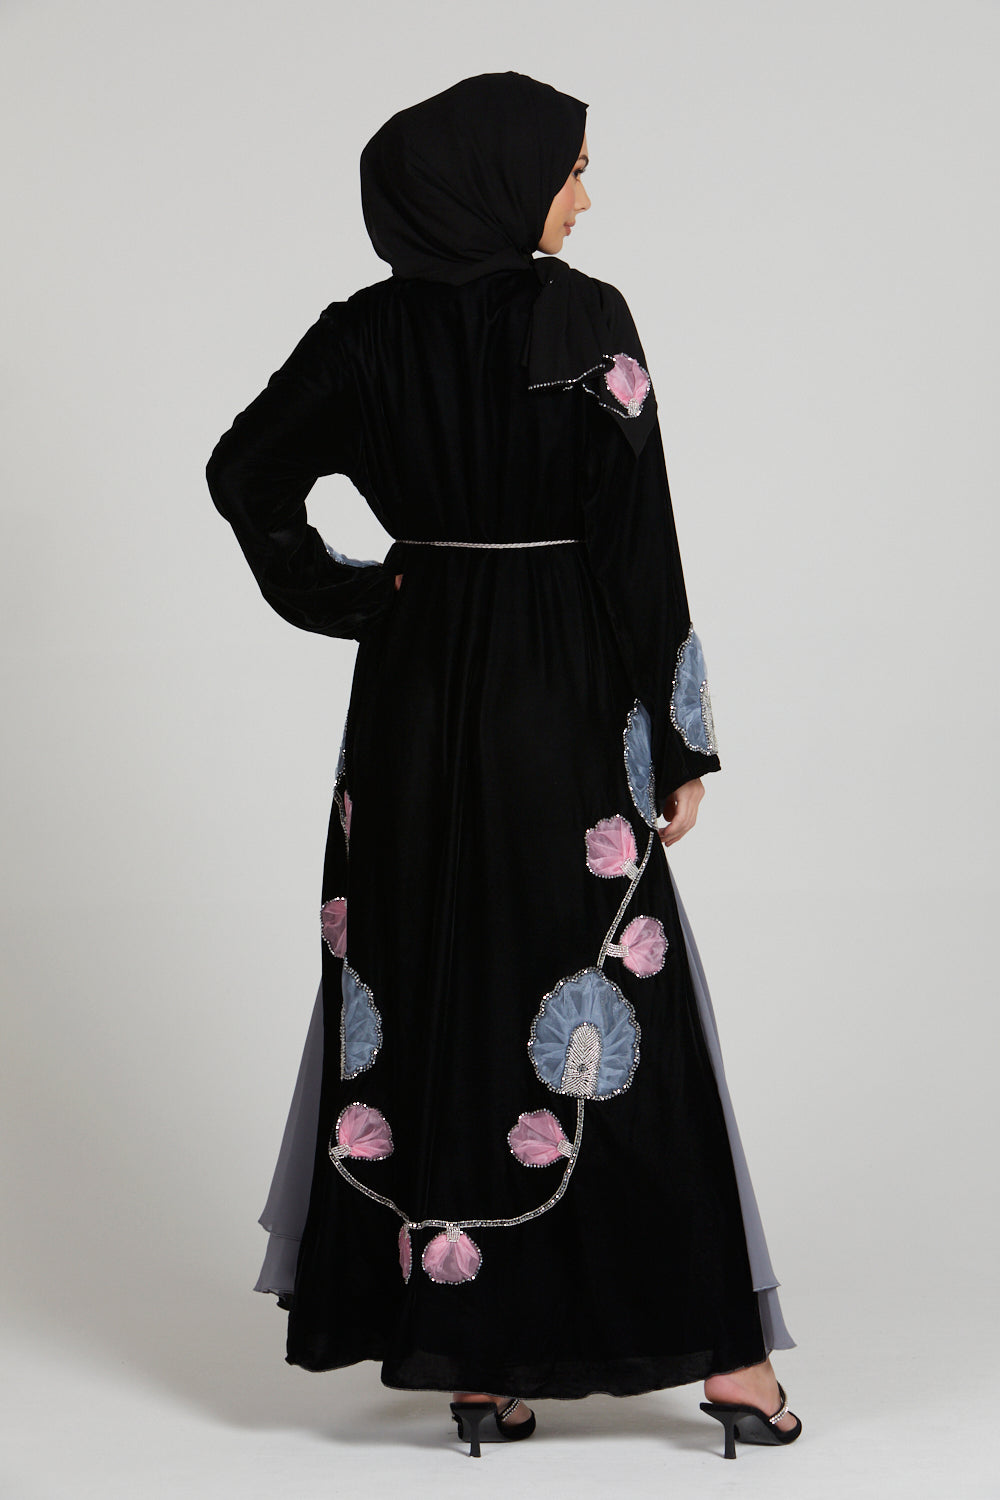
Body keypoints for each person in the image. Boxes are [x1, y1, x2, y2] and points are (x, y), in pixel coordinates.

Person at [205, 70, 802, 1461]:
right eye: (573, 168)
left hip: (414, 704)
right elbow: (639, 537)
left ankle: (477, 1361)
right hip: (558, 696)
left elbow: (244, 471)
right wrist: (680, 735)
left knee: (445, 988)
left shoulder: (362, 334)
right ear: (501, 178)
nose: (585, 197)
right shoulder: (582, 320)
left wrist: (364, 595)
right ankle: (727, 1365)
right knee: (608, 998)